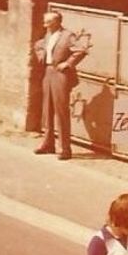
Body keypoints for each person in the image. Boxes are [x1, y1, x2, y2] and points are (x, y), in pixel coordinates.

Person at [33, 10, 87, 160]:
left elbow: (81, 50)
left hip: (60, 74)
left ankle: (65, 149)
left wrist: (68, 63)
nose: (45, 24)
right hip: (48, 71)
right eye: (45, 21)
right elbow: (38, 46)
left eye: (48, 21)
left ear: (57, 22)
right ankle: (48, 144)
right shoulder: (48, 34)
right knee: (47, 110)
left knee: (61, 111)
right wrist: (41, 55)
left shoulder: (67, 35)